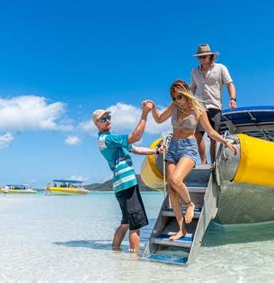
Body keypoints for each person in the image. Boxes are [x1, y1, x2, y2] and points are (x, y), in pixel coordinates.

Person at [148, 80, 237, 240]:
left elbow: (210, 132)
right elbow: (159, 119)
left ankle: (190, 204)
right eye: (174, 98)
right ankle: (181, 229)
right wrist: (153, 108)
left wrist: (226, 142)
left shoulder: (198, 110)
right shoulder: (174, 107)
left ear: (186, 93)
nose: (177, 101)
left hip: (188, 148)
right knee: (172, 191)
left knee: (175, 180)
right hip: (172, 148)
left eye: (179, 97)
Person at [94, 102, 162, 253]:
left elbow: (136, 149)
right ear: (96, 124)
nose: (107, 120)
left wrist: (156, 151)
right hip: (127, 184)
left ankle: (115, 253)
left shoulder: (111, 140)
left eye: (108, 117)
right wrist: (145, 113)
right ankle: (134, 261)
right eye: (103, 119)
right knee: (135, 225)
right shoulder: (107, 139)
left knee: (125, 222)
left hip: (120, 186)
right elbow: (136, 137)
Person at [190, 43, 237, 164]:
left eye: (204, 56)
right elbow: (192, 89)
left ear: (210, 56)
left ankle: (213, 163)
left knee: (213, 137)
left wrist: (232, 99)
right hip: (199, 106)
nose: (202, 59)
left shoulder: (221, 68)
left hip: (214, 106)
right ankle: (204, 162)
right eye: (199, 57)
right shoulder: (194, 71)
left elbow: (229, 84)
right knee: (198, 134)